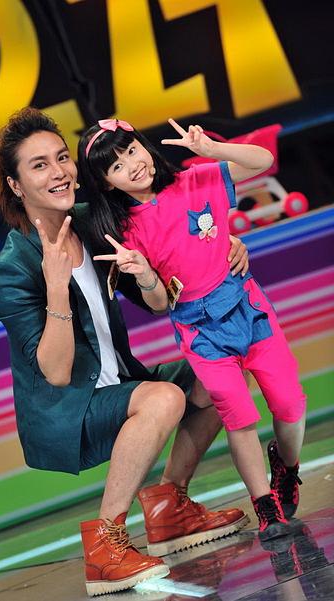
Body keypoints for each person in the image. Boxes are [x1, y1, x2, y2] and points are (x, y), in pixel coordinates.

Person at [0, 108, 251, 597]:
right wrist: (56, 286)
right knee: (164, 398)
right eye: (39, 165)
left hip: (122, 383)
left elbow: (160, 289)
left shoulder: (94, 221)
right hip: (68, 410)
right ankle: (105, 545)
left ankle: (170, 508)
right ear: (16, 185)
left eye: (61, 158)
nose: (59, 172)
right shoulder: (13, 268)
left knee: (221, 369)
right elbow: (56, 373)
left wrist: (224, 244)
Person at [77, 117, 306, 544]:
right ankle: (265, 507)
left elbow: (263, 160)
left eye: (132, 150)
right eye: (116, 166)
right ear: (106, 183)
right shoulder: (124, 232)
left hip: (249, 310)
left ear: (145, 147)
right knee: (238, 416)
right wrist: (144, 274)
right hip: (201, 334)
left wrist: (213, 150)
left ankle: (286, 468)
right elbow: (159, 303)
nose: (132, 165)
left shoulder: (197, 179)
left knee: (289, 403)